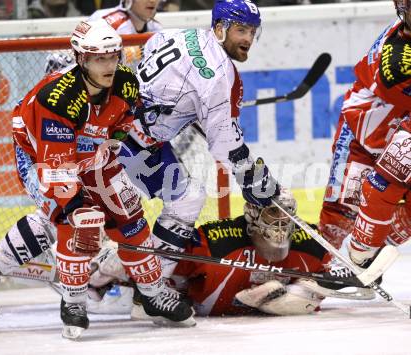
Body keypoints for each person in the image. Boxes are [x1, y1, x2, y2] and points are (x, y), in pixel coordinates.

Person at [0, 18, 195, 338]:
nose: (109, 65)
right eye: (98, 58)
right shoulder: (58, 100)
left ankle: (153, 293)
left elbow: (124, 119)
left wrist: (113, 146)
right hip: (38, 152)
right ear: (81, 59)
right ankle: (73, 300)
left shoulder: (126, 82)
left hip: (92, 152)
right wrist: (76, 206)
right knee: (73, 218)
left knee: (129, 213)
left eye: (113, 56)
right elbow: (57, 165)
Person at [119, 0, 280, 281]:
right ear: (220, 28)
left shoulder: (177, 34)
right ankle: (148, 287)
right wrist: (251, 178)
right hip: (130, 145)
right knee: (185, 200)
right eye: (241, 30)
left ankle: (138, 283)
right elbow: (223, 142)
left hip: (121, 130)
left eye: (253, 32)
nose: (248, 39)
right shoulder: (220, 76)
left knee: (182, 197)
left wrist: (184, 109)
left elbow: (156, 68)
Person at [87, 189, 373, 318]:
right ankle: (99, 274)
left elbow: (339, 275)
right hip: (192, 302)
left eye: (286, 214)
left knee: (306, 294)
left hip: (251, 305)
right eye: (273, 213)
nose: (281, 222)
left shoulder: (309, 243)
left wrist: (356, 275)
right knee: (144, 279)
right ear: (252, 213)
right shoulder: (218, 240)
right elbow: (164, 260)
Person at [318, 0, 411, 267]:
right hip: (363, 139)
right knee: (338, 218)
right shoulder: (397, 59)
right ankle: (310, 271)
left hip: (398, 139)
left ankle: (366, 258)